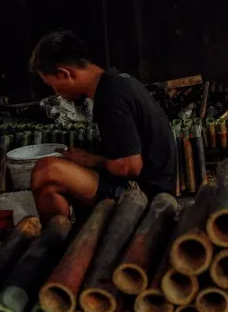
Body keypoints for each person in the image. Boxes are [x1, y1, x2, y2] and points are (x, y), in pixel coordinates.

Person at [28, 30, 176, 222]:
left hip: (146, 196)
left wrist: (92, 161)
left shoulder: (111, 96)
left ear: (65, 73)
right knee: (48, 188)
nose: (56, 93)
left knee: (46, 170)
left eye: (52, 85)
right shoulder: (117, 82)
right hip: (146, 186)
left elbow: (129, 167)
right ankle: (60, 235)